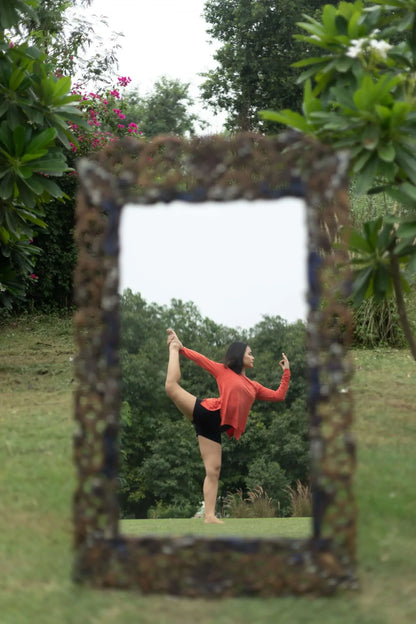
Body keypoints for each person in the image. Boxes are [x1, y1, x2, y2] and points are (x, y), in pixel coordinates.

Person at [165, 328, 291, 524]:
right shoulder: (223, 371)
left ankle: (209, 516)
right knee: (171, 387)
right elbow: (202, 360)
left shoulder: (254, 386)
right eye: (250, 353)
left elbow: (278, 395)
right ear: (239, 355)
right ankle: (173, 348)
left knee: (213, 470)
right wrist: (181, 348)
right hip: (207, 412)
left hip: (214, 428)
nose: (253, 356)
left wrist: (286, 372)